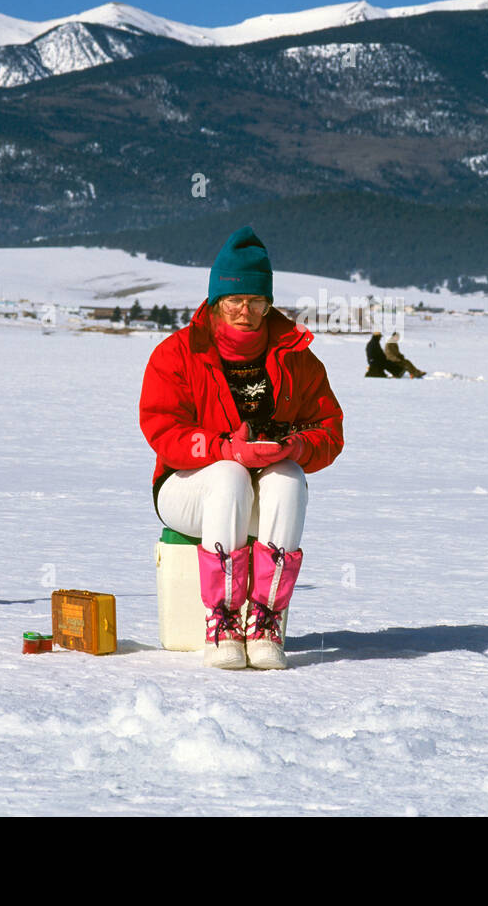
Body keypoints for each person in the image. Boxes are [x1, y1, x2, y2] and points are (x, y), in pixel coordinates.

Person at [139, 226, 344, 670]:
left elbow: (329, 430)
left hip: (262, 489)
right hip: (186, 488)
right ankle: (224, 620)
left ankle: (266, 619)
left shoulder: (297, 358)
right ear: (215, 301)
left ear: (269, 303)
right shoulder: (177, 354)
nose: (245, 311)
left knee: (289, 477)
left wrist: (295, 445)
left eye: (256, 300)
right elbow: (162, 430)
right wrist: (224, 449)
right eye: (235, 300)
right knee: (230, 476)